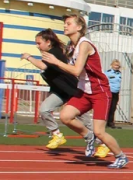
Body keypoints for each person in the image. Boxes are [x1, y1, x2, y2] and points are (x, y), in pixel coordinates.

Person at [41, 14, 128, 168]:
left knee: (100, 131)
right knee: (65, 116)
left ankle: (120, 156)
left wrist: (56, 62)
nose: (65, 26)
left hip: (99, 91)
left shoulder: (84, 44)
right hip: (84, 91)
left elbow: (76, 70)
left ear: (79, 27)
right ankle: (88, 137)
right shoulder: (72, 46)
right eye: (65, 23)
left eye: (69, 23)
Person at [21, 29, 92, 150]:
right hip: (59, 91)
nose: (37, 46)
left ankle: (102, 143)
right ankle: (57, 135)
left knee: (85, 121)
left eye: (39, 43)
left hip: (72, 91)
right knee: (44, 109)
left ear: (48, 42)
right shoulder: (47, 54)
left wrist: (28, 57)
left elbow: (42, 66)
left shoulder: (54, 52)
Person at [105, 60, 122, 128]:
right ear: (111, 65)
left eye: (117, 65)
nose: (116, 67)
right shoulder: (107, 73)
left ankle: (110, 122)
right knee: (108, 107)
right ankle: (105, 122)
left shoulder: (119, 73)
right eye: (115, 65)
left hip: (116, 92)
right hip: (110, 92)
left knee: (113, 108)